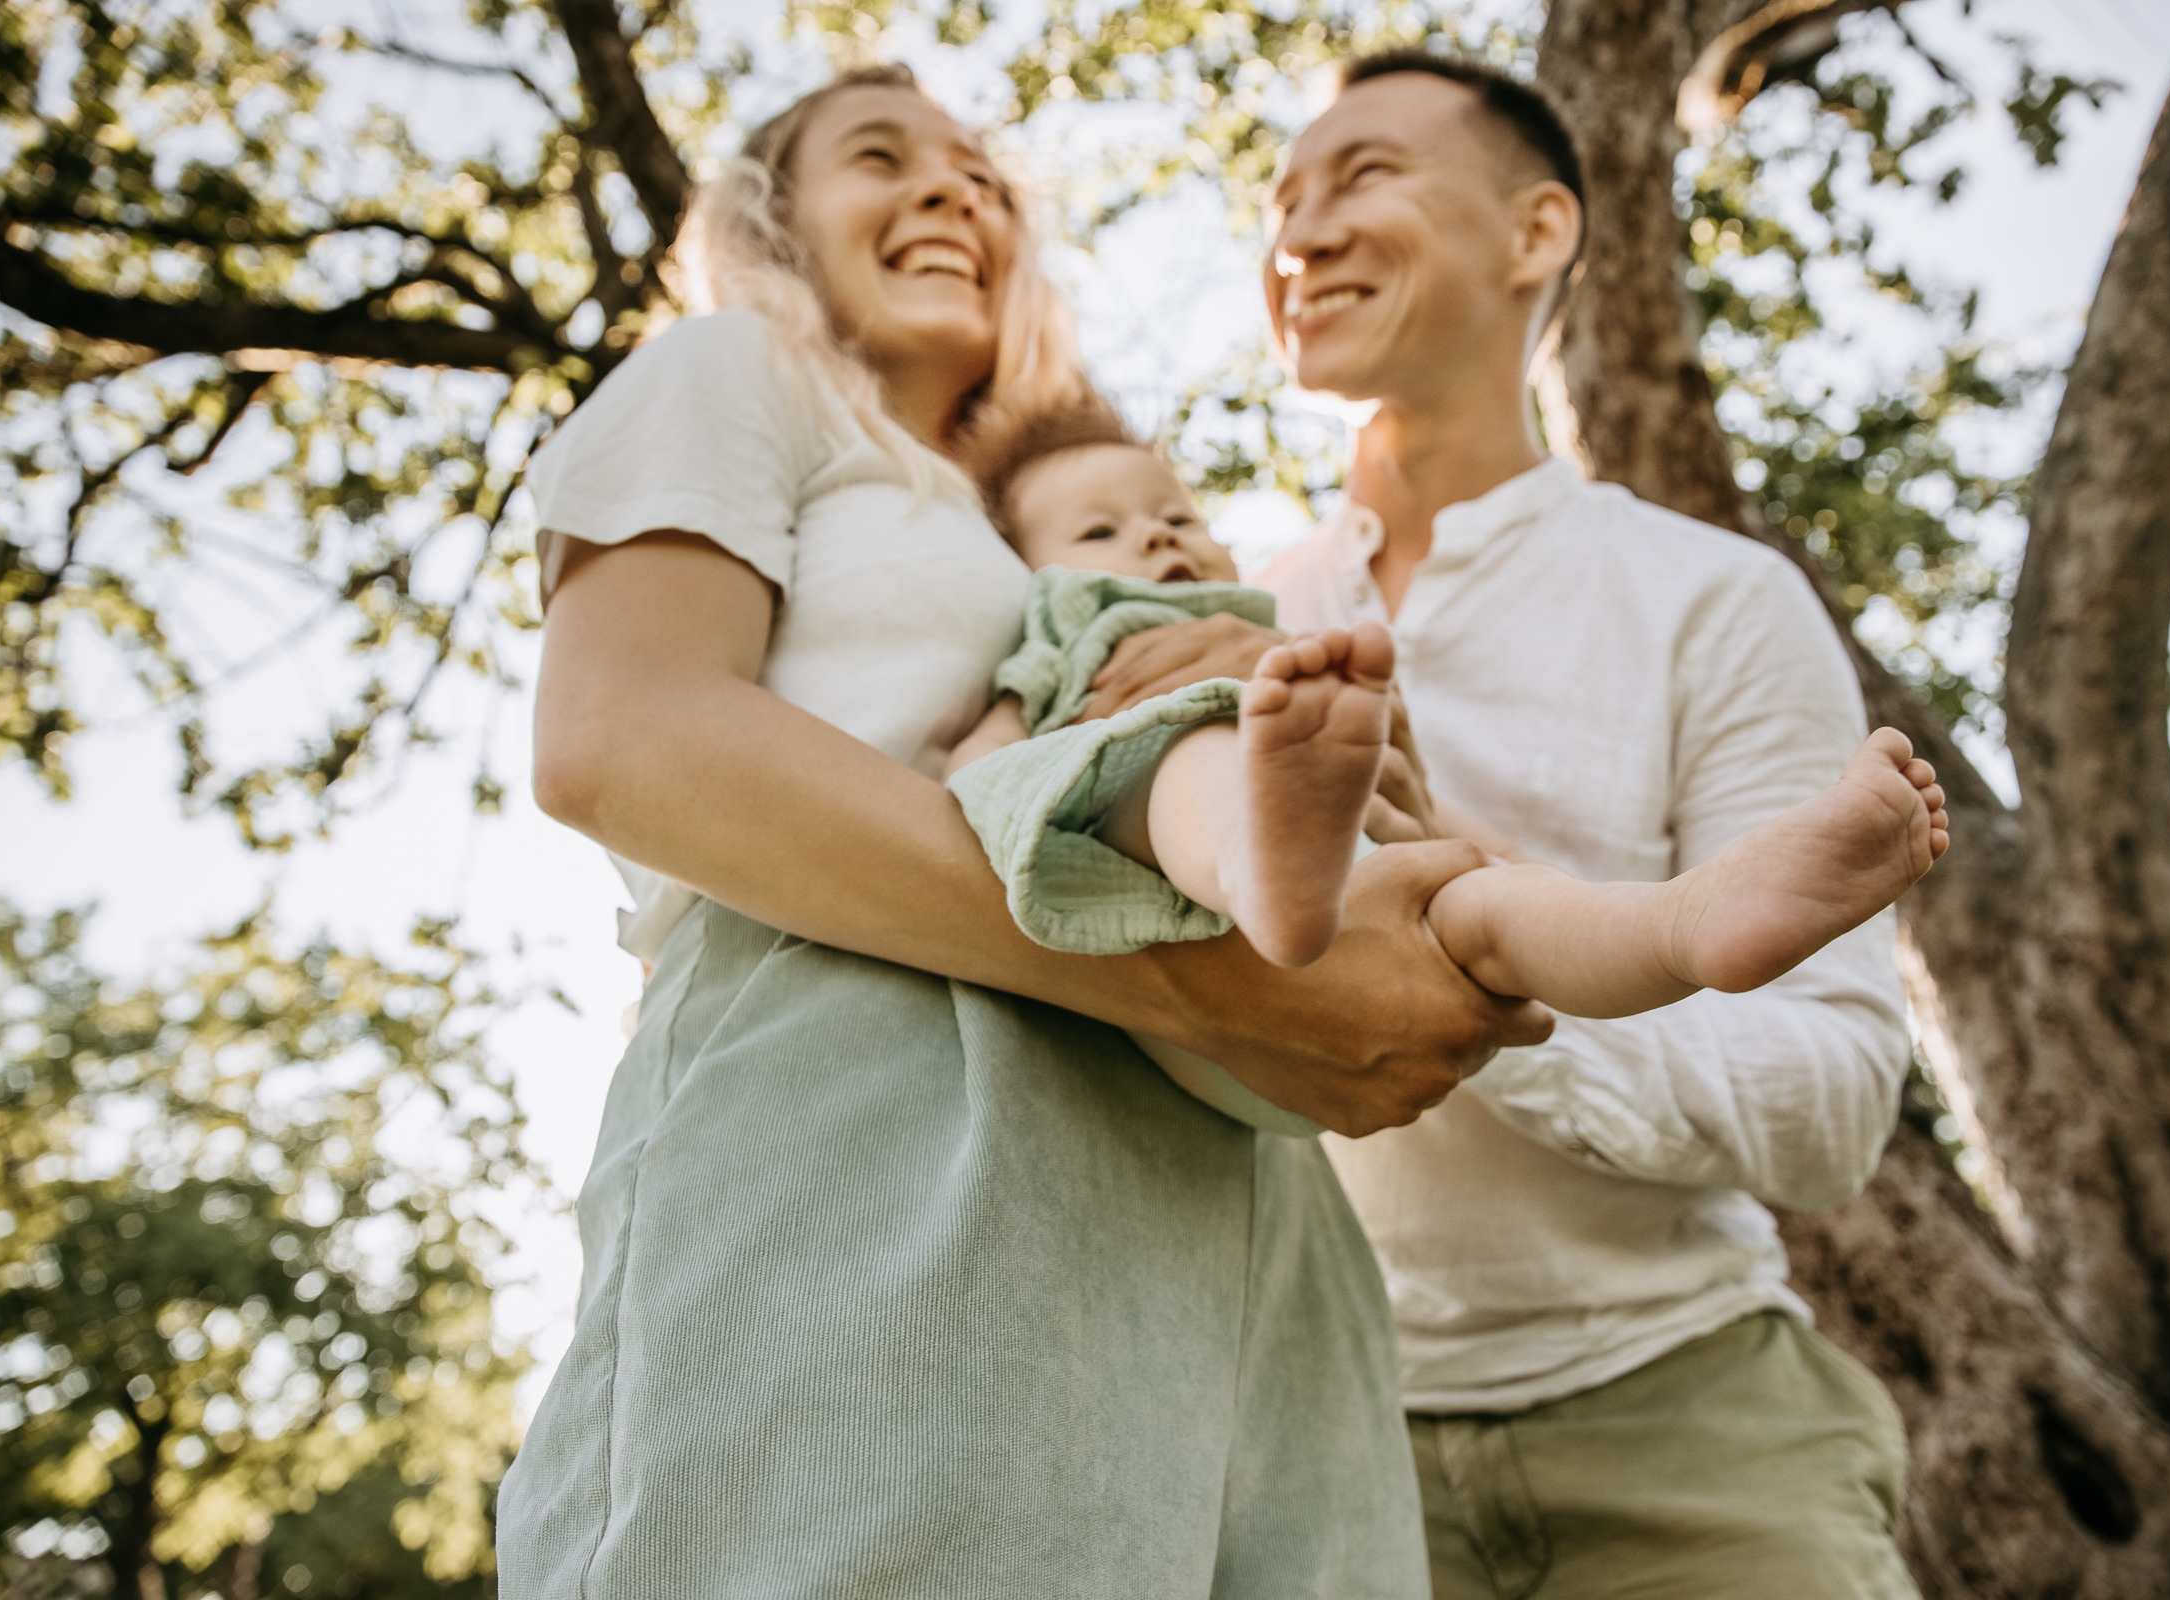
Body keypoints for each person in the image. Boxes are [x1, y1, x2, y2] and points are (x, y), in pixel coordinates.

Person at [495, 63, 1549, 1600]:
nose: (952, 193)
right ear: (771, 222)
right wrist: (1185, 983)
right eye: (880, 158)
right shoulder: (736, 374)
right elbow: (622, 738)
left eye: (984, 178)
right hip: (879, 1141)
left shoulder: (1063, 521)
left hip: (1234, 1211)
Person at [1091, 50, 1926, 1599]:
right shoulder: (1218, 618)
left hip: (1698, 1434)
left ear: (1537, 233)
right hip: (1302, 1456)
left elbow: (1833, 1111)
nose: (1302, 233)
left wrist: (1486, 950)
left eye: (1366, 179)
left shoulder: (1714, 600)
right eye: (1281, 202)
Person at [944, 398, 1948, 1027]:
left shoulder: (1277, 619)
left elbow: (1406, 795)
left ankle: (1680, 926)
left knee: (1485, 892)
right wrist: (972, 770)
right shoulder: (1060, 629)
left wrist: (1421, 817)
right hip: (1159, 801)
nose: (1157, 540)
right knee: (1191, 762)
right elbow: (979, 767)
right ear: (1030, 570)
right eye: (1102, 529)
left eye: (1177, 517)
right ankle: (1265, 857)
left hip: (1344, 837)